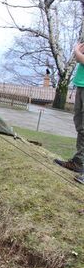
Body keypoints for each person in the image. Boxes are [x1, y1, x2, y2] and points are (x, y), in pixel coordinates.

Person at [55, 42, 84, 183]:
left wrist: (76, 49)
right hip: (81, 86)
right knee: (81, 127)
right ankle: (78, 162)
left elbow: (80, 58)